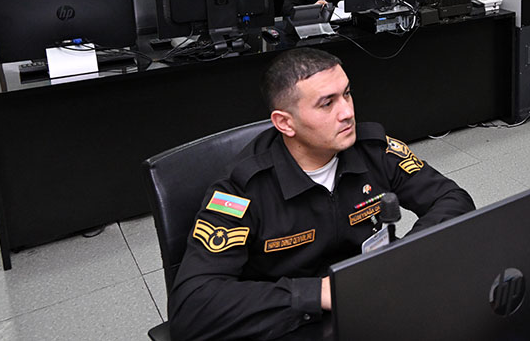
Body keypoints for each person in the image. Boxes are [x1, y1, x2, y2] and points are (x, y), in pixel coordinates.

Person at [168, 48, 475, 341]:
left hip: (373, 302)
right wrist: (319, 293)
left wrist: (400, 257)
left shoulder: (373, 151)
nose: (347, 112)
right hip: (290, 322)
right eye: (327, 103)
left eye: (347, 93)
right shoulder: (240, 191)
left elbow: (452, 199)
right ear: (285, 123)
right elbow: (192, 307)